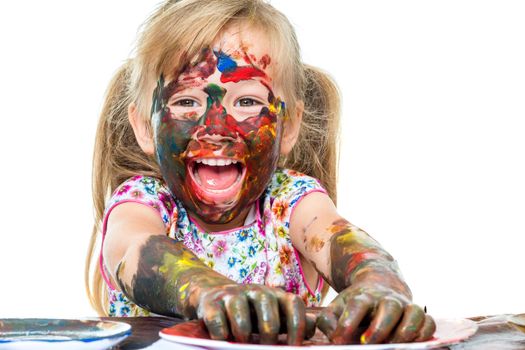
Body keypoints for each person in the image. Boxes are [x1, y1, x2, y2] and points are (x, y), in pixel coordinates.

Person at [85, 0, 436, 345]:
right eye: (186, 102)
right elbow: (134, 250)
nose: (216, 128)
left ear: (290, 124)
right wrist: (211, 293)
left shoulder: (289, 204)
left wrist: (380, 285)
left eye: (247, 102)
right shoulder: (144, 203)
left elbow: (342, 242)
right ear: (145, 126)